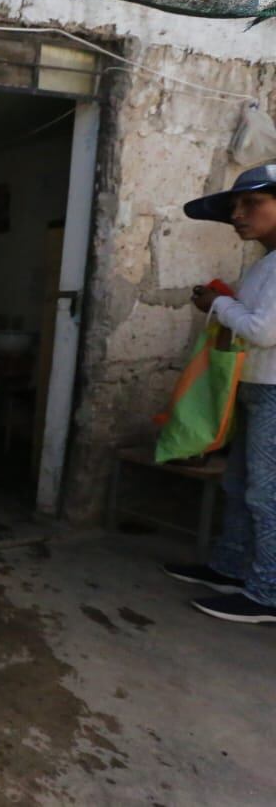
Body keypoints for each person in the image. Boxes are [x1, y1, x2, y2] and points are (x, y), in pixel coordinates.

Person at [164, 163, 276, 625]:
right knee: (238, 483)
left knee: (265, 493)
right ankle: (230, 567)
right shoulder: (264, 262)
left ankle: (267, 591)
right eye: (235, 206)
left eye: (252, 204)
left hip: (272, 390)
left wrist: (219, 304)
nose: (238, 214)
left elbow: (264, 330)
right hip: (254, 384)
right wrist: (224, 301)